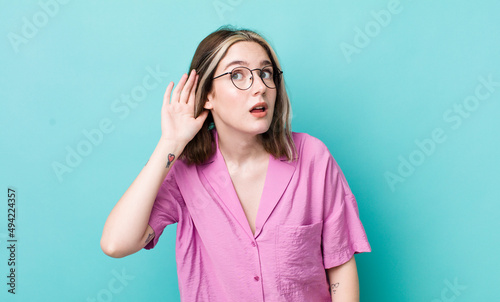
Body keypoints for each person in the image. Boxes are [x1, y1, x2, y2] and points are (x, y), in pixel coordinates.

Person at [100, 26, 371, 302]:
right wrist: (170, 144)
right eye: (237, 75)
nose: (259, 87)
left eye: (266, 73)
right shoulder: (185, 172)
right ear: (207, 95)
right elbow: (116, 243)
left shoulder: (312, 157)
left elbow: (339, 263)